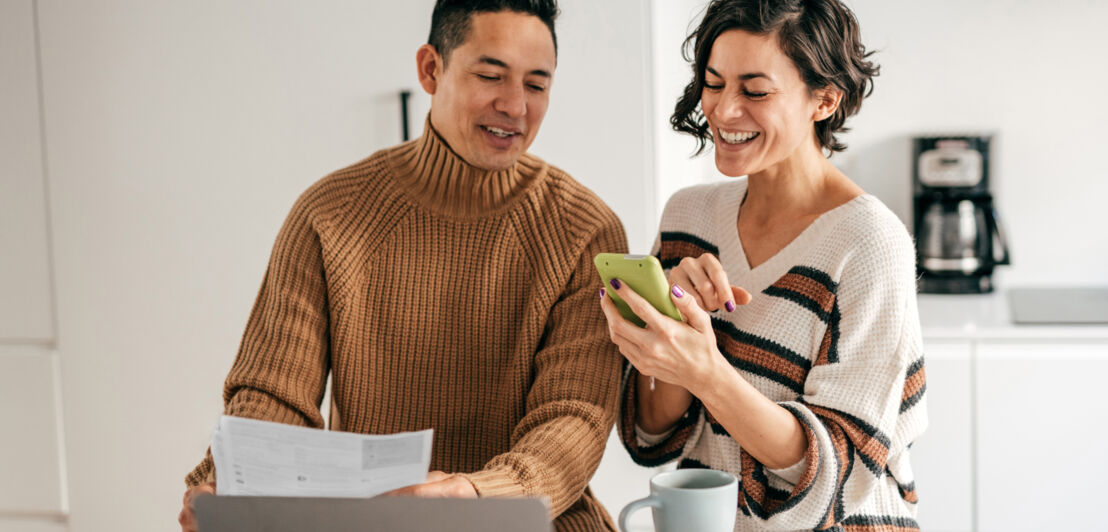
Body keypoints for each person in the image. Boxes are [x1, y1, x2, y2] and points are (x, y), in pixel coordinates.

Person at [177, 1, 627, 530]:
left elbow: (573, 419)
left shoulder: (585, 231)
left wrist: (477, 495)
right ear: (431, 70)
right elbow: (273, 396)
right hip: (376, 521)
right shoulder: (329, 214)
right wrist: (231, 479)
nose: (515, 105)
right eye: (491, 75)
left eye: (537, 84)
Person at [599, 0, 927, 530]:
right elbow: (653, 438)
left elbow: (834, 474)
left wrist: (708, 373)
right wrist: (677, 327)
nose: (725, 111)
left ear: (824, 99)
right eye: (713, 82)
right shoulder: (689, 217)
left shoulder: (869, 242)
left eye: (755, 91)